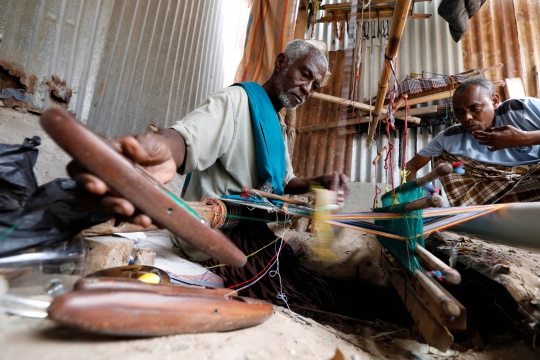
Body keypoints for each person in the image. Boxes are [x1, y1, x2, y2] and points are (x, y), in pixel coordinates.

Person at [68, 39, 350, 310]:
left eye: (315, 85)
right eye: (305, 74)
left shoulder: (276, 125)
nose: (308, 89)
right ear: (281, 62)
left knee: (312, 281)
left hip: (248, 229)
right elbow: (187, 138)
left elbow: (285, 181)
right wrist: (162, 150)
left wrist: (319, 182)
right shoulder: (236, 101)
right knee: (296, 297)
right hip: (214, 232)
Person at [406, 78, 540, 206]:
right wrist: (412, 203)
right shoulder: (450, 138)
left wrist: (524, 138)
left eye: (475, 108)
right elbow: (410, 167)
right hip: (499, 193)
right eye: (459, 111)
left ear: (494, 101)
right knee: (443, 157)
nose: (466, 118)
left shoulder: (520, 109)